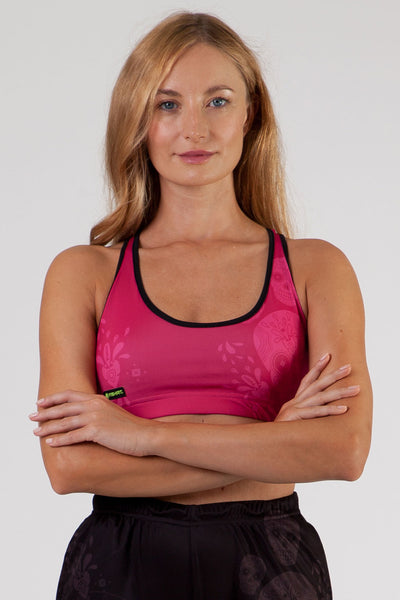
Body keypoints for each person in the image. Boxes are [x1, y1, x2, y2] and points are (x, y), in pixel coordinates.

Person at [30, 11, 372, 600]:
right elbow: (70, 468)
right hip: (120, 564)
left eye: (217, 101)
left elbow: (343, 451)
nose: (195, 129)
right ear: (138, 120)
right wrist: (273, 442)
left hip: (272, 563)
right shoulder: (84, 274)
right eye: (167, 105)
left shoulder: (315, 268)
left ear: (250, 114)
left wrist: (141, 436)